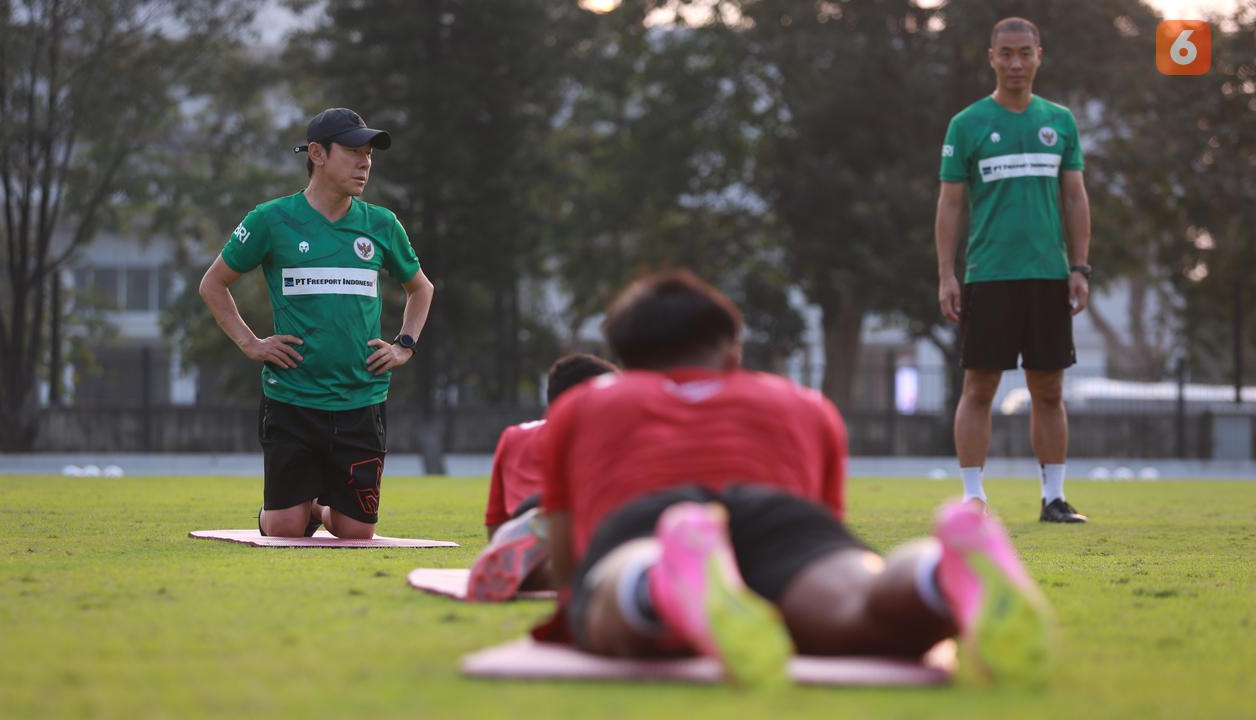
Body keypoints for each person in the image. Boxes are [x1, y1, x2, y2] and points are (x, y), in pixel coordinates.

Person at [536, 270, 1053, 688]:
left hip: (647, 518)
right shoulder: (803, 404)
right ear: (732, 356)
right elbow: (822, 530)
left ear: (625, 362)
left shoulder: (586, 404)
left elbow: (567, 556)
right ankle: (938, 573)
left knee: (619, 592)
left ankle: (660, 580)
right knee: (861, 606)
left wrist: (582, 596)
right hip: (779, 516)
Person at [199, 107, 434, 539]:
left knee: (355, 533)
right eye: (352, 151)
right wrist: (251, 343)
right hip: (292, 399)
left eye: (368, 154)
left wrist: (404, 345)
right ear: (317, 154)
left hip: (361, 399)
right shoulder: (270, 219)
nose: (364, 163)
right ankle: (294, 510)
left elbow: (422, 289)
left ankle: (321, 509)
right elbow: (213, 284)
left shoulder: (381, 224)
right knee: (284, 529)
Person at [934, 17, 1091, 523]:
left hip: (1047, 275)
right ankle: (973, 499)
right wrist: (946, 273)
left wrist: (1080, 266)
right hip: (988, 274)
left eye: (1025, 52)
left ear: (1039, 55)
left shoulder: (1060, 121)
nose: (1016, 63)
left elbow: (1074, 196)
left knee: (1049, 390)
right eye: (1007, 53)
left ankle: (1054, 498)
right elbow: (951, 205)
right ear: (992, 58)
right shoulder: (967, 124)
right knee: (978, 388)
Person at [467, 353, 619, 602]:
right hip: (569, 521)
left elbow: (495, 521)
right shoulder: (605, 438)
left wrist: (500, 544)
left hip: (521, 523)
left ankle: (529, 561)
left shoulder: (514, 435)